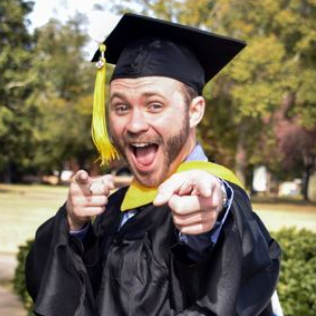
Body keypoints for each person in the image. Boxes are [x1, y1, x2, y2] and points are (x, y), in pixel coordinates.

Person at [25, 13, 282, 316]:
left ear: (194, 111)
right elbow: (53, 290)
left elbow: (239, 257)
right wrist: (73, 225)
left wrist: (215, 213)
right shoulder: (112, 209)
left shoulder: (216, 200)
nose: (134, 124)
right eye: (121, 107)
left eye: (154, 105)